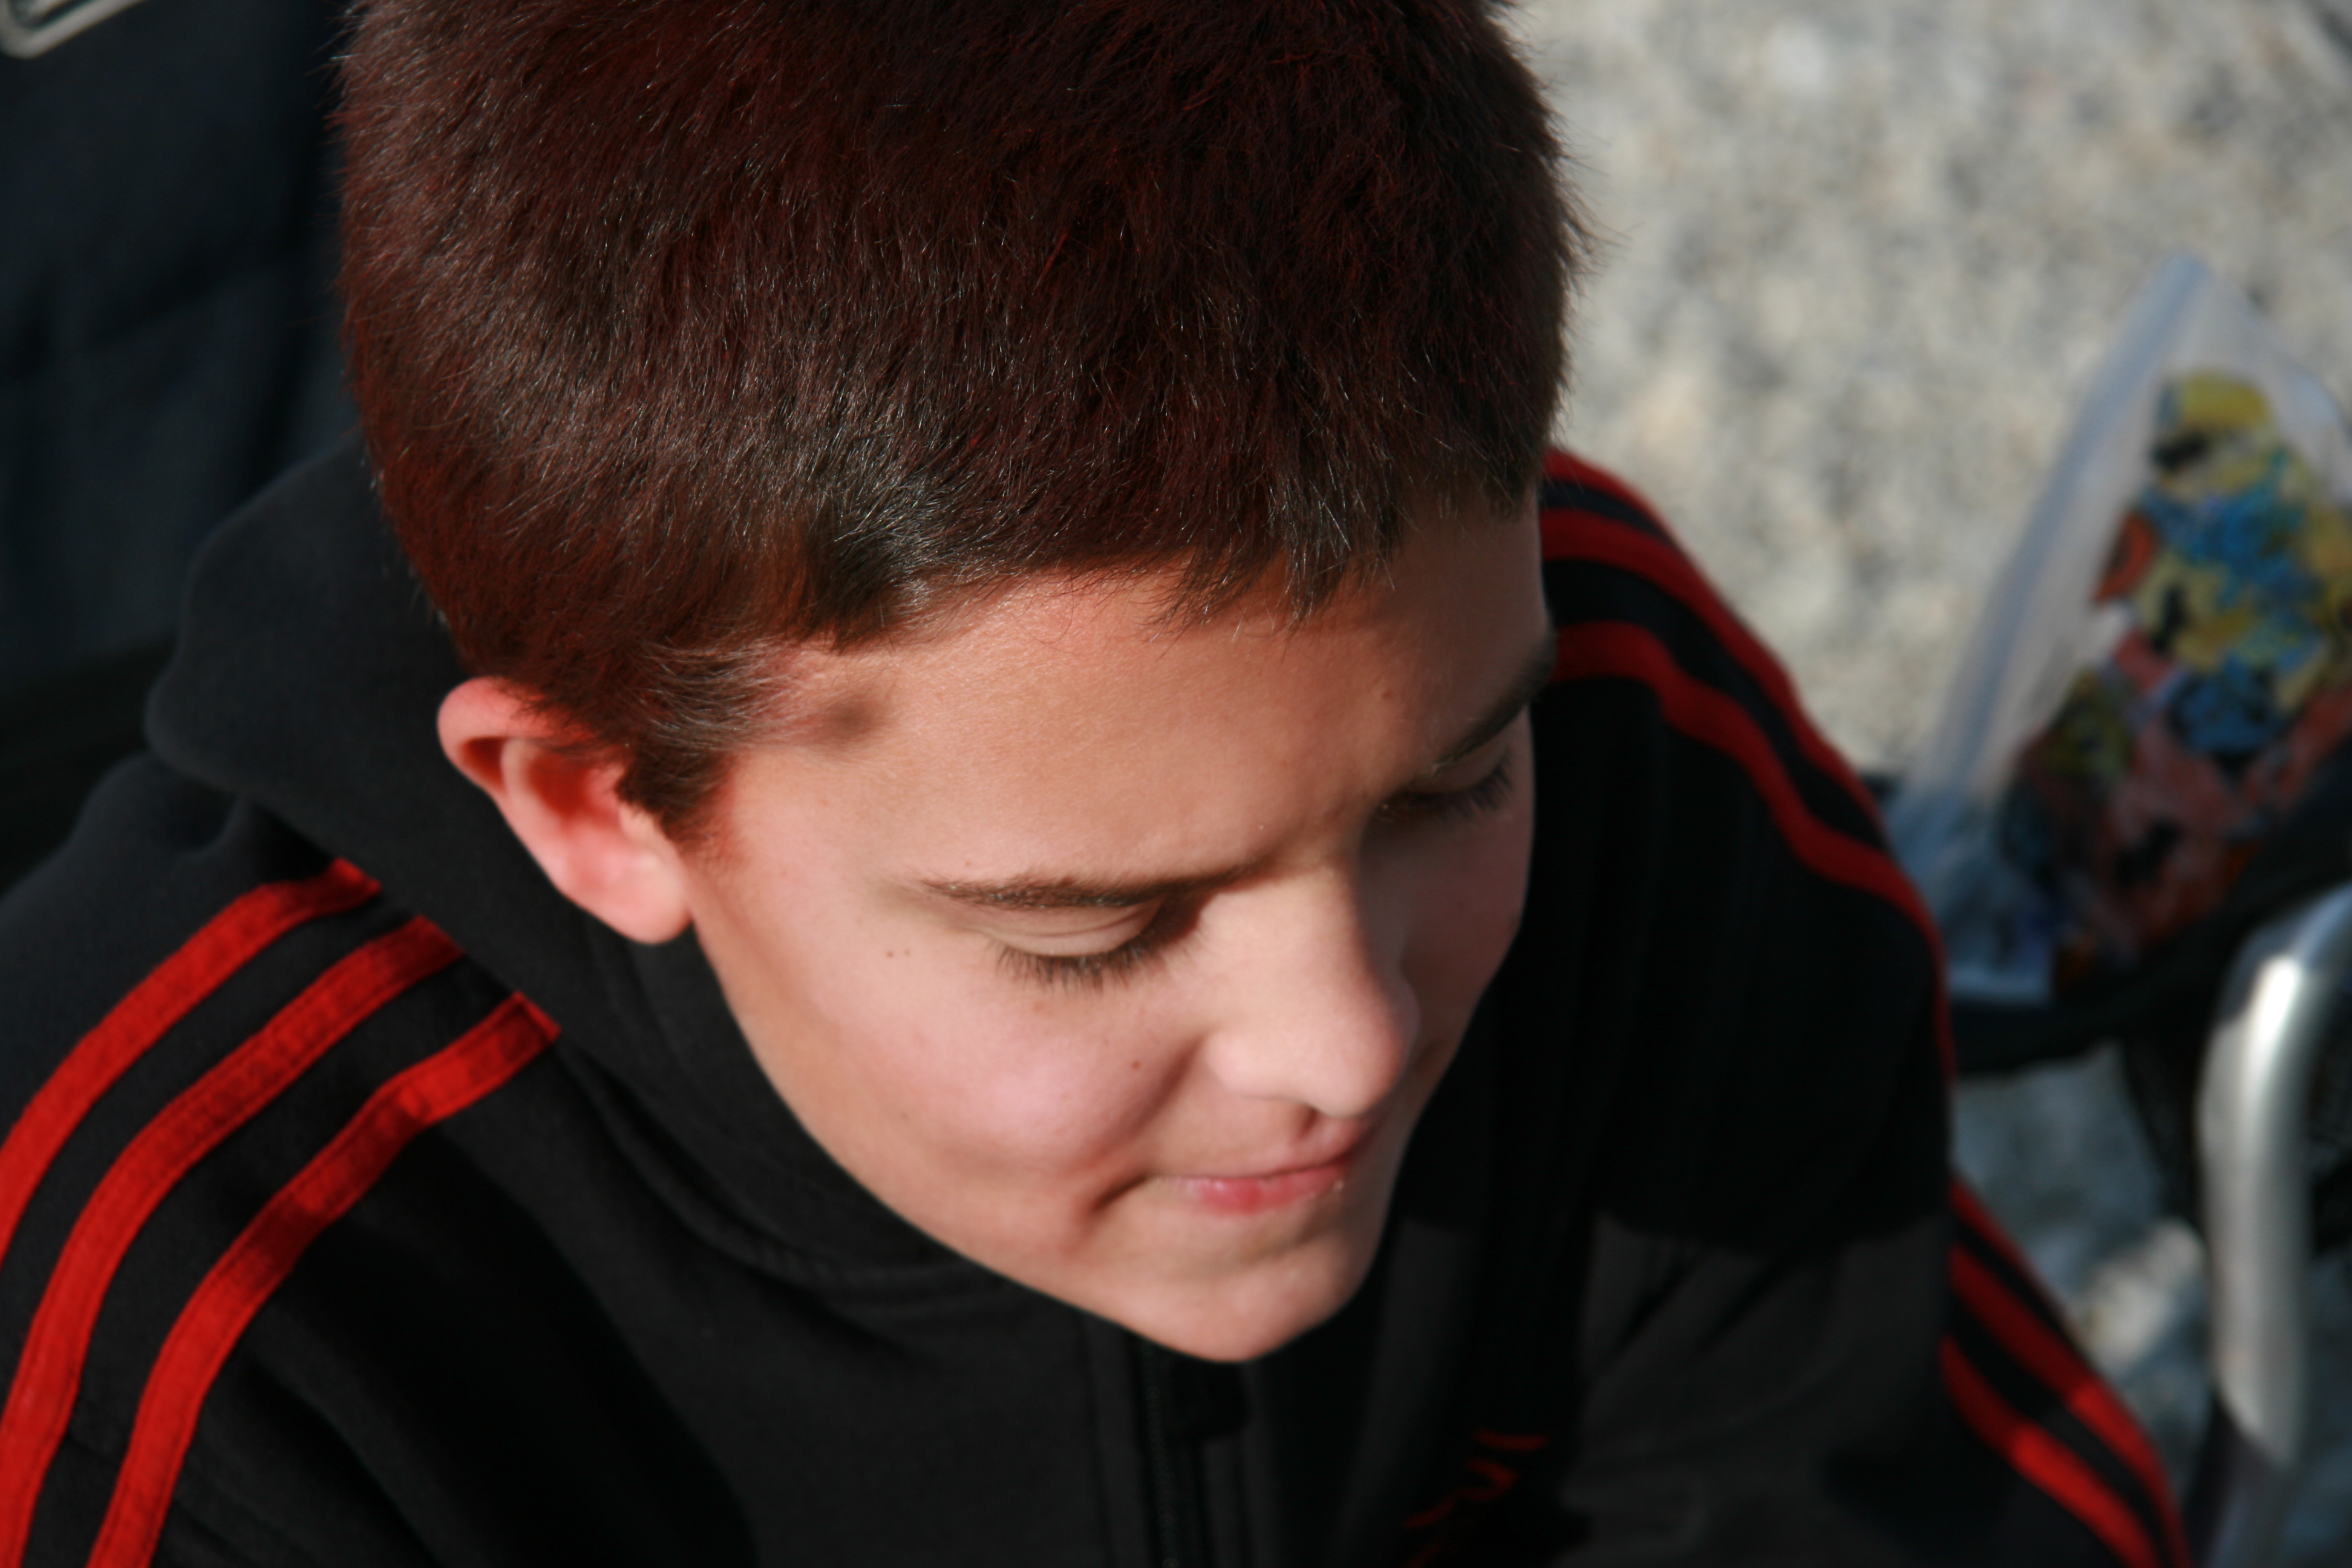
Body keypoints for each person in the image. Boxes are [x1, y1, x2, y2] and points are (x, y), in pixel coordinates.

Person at [0, 2, 2187, 1563]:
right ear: (593, 805)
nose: (1347, 1039)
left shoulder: (1627, 722)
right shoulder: (184, 1312)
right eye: (1098, 927)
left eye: (1450, 790)